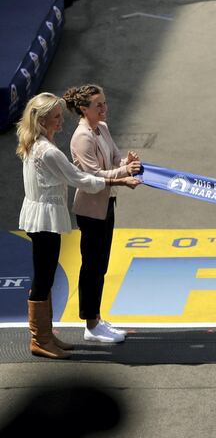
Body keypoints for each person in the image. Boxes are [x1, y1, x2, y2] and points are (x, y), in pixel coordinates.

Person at [16, 93, 140, 359]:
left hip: (39, 214)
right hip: (44, 218)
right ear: (43, 119)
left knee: (45, 276)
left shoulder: (36, 144)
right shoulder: (48, 151)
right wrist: (119, 182)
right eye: (57, 117)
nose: (62, 121)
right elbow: (80, 179)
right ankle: (40, 339)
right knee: (44, 277)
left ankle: (46, 335)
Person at [65, 84, 141, 344]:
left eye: (105, 103)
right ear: (84, 109)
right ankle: (91, 324)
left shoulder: (103, 128)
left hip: (107, 204)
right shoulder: (82, 137)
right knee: (92, 267)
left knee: (101, 265)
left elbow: (115, 158)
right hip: (90, 210)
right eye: (99, 105)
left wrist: (126, 162)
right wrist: (125, 172)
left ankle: (96, 316)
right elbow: (93, 176)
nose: (104, 108)